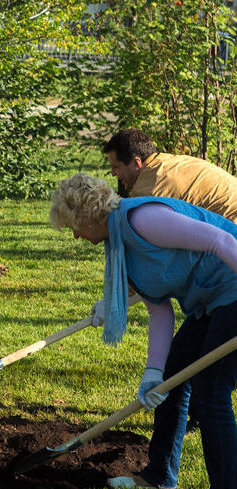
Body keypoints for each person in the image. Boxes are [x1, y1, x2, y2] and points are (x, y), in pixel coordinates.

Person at [51, 173, 237, 489]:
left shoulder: (143, 219)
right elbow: (159, 310)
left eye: (74, 226)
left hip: (233, 287)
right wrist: (153, 373)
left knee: (211, 391)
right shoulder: (120, 247)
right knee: (170, 380)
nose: (75, 236)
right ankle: (159, 478)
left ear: (89, 217)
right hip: (211, 301)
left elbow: (221, 241)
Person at [101, 128, 237, 488]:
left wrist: (116, 300)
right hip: (212, 286)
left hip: (231, 263)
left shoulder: (148, 196)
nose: (115, 176)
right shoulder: (167, 167)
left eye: (116, 168)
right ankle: (160, 477)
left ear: (137, 162)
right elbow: (155, 274)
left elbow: (211, 239)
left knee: (212, 392)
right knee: (177, 377)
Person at [104, 128, 237, 221]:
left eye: (116, 167)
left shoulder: (149, 188)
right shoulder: (167, 161)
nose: (113, 173)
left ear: (136, 162)